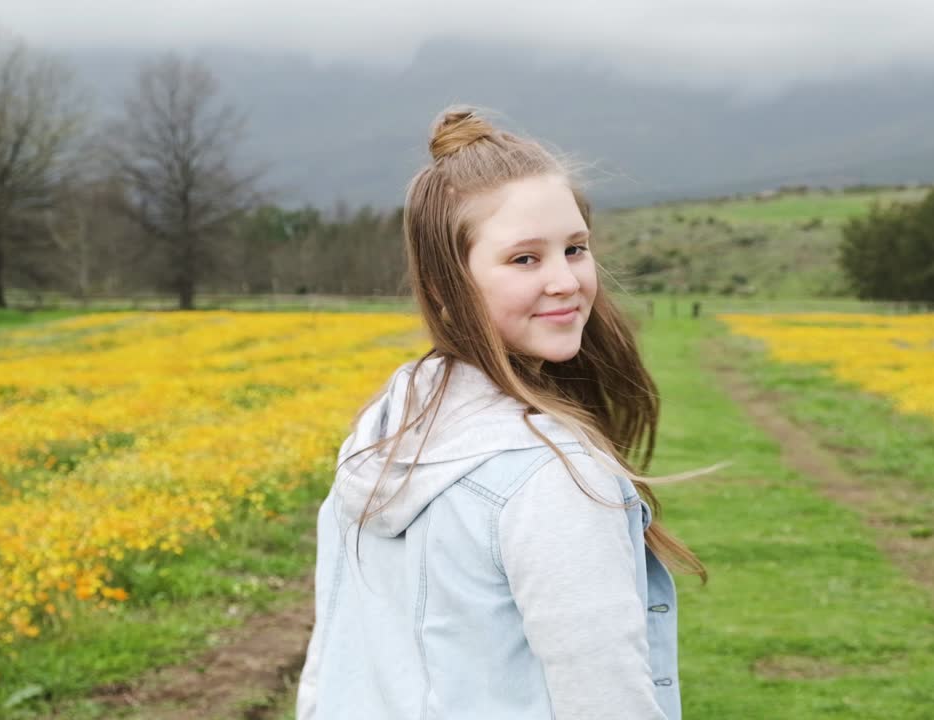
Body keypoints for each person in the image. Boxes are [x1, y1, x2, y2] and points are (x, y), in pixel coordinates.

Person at [295, 106, 708, 720]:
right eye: (525, 259)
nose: (566, 280)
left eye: (575, 248)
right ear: (443, 284)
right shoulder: (555, 482)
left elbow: (332, 670)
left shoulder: (385, 428)